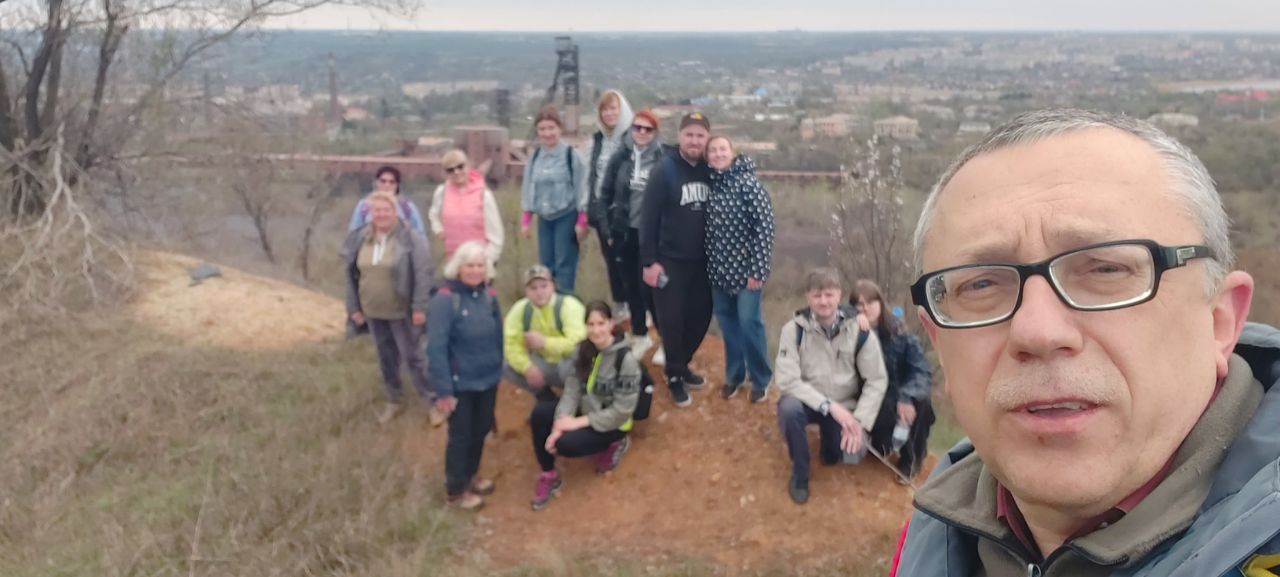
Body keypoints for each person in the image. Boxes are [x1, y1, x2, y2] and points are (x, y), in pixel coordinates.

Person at [895, 109, 1278, 576]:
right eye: (981, 285)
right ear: (939, 342)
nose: (1038, 331)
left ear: (1220, 321)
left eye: (1105, 269)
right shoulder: (933, 538)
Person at [774, 268, 888, 505]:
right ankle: (800, 473)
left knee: (842, 454)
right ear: (807, 297)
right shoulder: (793, 331)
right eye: (817, 295)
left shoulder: (859, 331)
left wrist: (859, 422)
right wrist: (829, 406)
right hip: (807, 401)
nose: (823, 301)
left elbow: (877, 379)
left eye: (828, 294)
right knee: (788, 409)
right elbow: (786, 379)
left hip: (844, 404)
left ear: (839, 295)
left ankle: (830, 444)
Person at [341, 191, 441, 426]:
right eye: (376, 210)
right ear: (370, 213)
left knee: (413, 358)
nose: (381, 215)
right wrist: (354, 307)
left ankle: (433, 402)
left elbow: (423, 274)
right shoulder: (360, 238)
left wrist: (419, 307)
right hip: (372, 310)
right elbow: (350, 274)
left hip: (402, 310)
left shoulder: (410, 238)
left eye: (386, 210)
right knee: (385, 357)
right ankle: (394, 400)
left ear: (395, 212)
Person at [529, 301, 640, 511]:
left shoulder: (625, 360)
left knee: (566, 444)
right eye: (591, 324)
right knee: (540, 413)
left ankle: (615, 444)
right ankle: (549, 474)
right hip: (586, 409)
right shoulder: (583, 350)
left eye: (601, 323)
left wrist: (576, 423)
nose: (596, 330)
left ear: (611, 324)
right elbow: (572, 389)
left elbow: (622, 411)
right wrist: (560, 422)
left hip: (613, 423)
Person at [640, 112, 714, 407]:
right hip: (669, 260)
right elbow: (648, 218)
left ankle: (681, 365)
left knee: (701, 317)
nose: (694, 141)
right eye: (689, 135)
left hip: (703, 262)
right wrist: (649, 262)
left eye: (700, 135)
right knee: (671, 321)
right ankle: (674, 377)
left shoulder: (711, 170)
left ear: (707, 138)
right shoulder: (665, 170)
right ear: (680, 136)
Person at [427, 241, 502, 511]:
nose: (475, 271)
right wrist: (443, 390)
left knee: (480, 430)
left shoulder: (489, 296)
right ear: (458, 267)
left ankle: (471, 475)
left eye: (480, 265)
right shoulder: (445, 299)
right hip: (460, 383)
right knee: (461, 435)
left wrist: (499, 369)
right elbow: (436, 347)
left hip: (488, 378)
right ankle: (456, 490)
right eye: (469, 265)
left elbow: (499, 335)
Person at [705, 134, 775, 404]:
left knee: (749, 324)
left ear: (732, 152)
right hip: (718, 272)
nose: (718, 154)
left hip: (747, 273)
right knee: (729, 326)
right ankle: (734, 376)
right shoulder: (709, 185)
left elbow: (764, 227)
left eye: (723, 149)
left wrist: (758, 270)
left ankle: (760, 378)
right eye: (713, 150)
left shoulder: (748, 184)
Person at [852, 279, 934, 483]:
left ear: (880, 303)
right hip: (870, 400)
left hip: (900, 397)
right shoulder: (849, 332)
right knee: (878, 450)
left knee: (923, 402)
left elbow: (921, 371)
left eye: (870, 302)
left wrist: (907, 396)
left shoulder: (900, 334)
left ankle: (911, 460)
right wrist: (852, 320)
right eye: (859, 304)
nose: (865, 308)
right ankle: (879, 443)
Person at [599, 108, 665, 360]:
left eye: (648, 129)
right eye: (637, 127)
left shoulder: (662, 160)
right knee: (630, 288)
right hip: (624, 233)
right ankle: (640, 334)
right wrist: (607, 229)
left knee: (651, 290)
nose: (642, 132)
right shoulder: (620, 158)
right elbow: (604, 195)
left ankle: (666, 340)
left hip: (652, 237)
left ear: (655, 132)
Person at [520, 105, 589, 292]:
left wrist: (582, 220)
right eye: (542, 129)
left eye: (551, 128)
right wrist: (526, 219)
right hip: (544, 218)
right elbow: (529, 187)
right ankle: (547, 302)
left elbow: (582, 187)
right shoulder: (535, 157)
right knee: (546, 266)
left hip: (566, 216)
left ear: (559, 129)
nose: (547, 133)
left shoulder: (571, 156)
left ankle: (564, 302)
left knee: (564, 265)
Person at [503, 264, 587, 403]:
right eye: (533, 288)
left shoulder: (569, 305)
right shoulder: (520, 309)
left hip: (567, 363)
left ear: (553, 286)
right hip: (543, 363)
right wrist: (527, 367)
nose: (539, 292)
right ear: (526, 291)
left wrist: (545, 343)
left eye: (544, 286)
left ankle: (577, 399)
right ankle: (545, 398)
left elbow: (580, 344)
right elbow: (509, 343)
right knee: (505, 364)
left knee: (572, 364)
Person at [587, 90, 635, 320]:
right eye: (604, 109)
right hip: (602, 212)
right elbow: (593, 174)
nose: (609, 113)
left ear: (622, 110)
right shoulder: (598, 140)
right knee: (612, 262)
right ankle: (621, 306)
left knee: (628, 260)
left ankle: (638, 308)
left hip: (625, 212)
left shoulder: (632, 138)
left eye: (613, 108)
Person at [428, 149, 504, 269]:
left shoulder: (484, 195)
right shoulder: (441, 192)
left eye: (460, 167)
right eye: (450, 170)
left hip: (479, 265)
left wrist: (487, 261)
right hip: (454, 262)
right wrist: (438, 230)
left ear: (468, 166)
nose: (456, 172)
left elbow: (496, 236)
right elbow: (433, 214)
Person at [348, 165, 427, 236]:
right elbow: (353, 233)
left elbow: (420, 233)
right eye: (383, 181)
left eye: (392, 182)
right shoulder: (364, 206)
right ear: (376, 183)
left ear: (397, 185)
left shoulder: (407, 207)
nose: (387, 185)